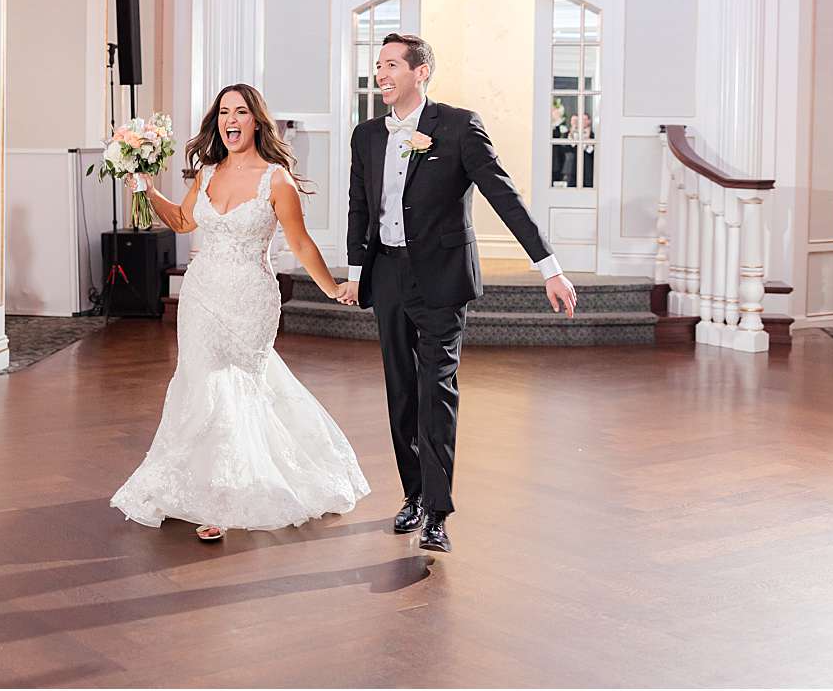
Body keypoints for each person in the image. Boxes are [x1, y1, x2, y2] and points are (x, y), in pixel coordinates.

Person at [342, 34, 578, 554]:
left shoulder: (458, 126)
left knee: (436, 393)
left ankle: (437, 512)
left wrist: (549, 268)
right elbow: (360, 206)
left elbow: (504, 195)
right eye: (378, 65)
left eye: (392, 65)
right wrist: (359, 272)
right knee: (401, 393)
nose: (381, 74)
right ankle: (413, 496)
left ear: (420, 72)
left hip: (442, 280)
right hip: (387, 277)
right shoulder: (366, 136)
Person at [111, 84, 370, 541]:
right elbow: (183, 222)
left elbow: (300, 242)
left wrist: (332, 288)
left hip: (250, 297)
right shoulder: (207, 173)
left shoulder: (277, 180)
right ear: (218, 122)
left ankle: (227, 498)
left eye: (241, 112)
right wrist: (146, 187)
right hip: (202, 294)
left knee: (239, 387)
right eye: (224, 112)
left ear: (255, 121)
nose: (231, 119)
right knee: (199, 382)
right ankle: (195, 487)